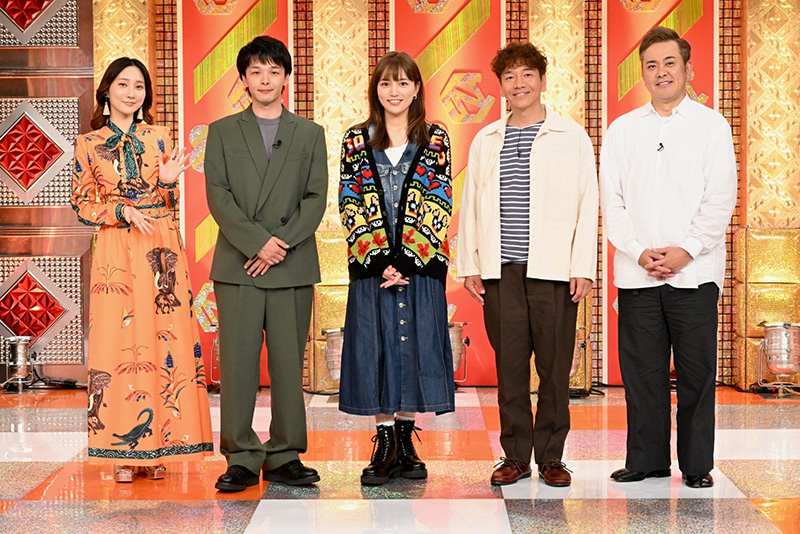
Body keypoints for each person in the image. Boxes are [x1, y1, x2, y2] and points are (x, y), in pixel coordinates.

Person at [600, 27, 737, 488]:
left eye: (670, 63)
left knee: (696, 375)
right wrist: (639, 252)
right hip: (637, 274)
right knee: (642, 375)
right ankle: (647, 460)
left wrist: (686, 250)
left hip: (695, 273)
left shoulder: (712, 126)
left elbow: (720, 198)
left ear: (688, 69)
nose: (661, 72)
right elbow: (612, 203)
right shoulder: (622, 130)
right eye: (651, 65)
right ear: (642, 73)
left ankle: (697, 465)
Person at [457, 42, 598, 487]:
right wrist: (470, 263)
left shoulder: (570, 136)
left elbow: (587, 203)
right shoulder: (486, 139)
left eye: (527, 75)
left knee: (555, 368)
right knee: (511, 367)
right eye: (509, 77)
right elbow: (471, 204)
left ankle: (552, 456)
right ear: (501, 86)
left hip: (553, 270)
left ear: (542, 80)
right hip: (501, 271)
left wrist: (583, 266)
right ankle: (515, 456)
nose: (519, 84)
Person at [72, 57, 213, 483]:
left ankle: (159, 448)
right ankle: (122, 453)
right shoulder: (87, 143)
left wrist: (168, 181)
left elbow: (170, 201)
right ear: (107, 91)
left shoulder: (159, 137)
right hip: (116, 247)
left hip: (160, 243)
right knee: (116, 344)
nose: (132, 93)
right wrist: (121, 211)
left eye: (139, 86)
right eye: (123, 84)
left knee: (162, 338)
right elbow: (82, 203)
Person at [204, 35, 328, 492]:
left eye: (274, 71)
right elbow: (218, 195)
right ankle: (240, 455)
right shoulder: (222, 131)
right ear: (243, 78)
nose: (265, 79)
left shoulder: (310, 133)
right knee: (237, 365)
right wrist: (258, 244)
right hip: (238, 266)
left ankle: (285, 454)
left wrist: (279, 245)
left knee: (288, 365)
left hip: (291, 265)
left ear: (286, 78)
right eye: (256, 71)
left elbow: (315, 198)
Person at [337, 51, 455, 486]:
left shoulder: (436, 138)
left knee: (413, 351)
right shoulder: (355, 139)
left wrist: (405, 260)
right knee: (377, 351)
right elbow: (349, 200)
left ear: (417, 89)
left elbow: (439, 197)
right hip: (372, 270)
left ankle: (406, 441)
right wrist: (381, 261)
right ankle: (383, 443)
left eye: (404, 82)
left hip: (419, 267)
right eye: (387, 83)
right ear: (376, 89)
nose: (395, 91)